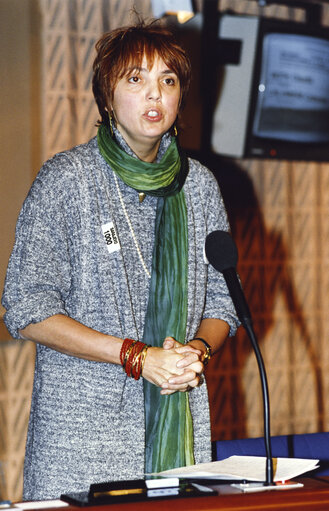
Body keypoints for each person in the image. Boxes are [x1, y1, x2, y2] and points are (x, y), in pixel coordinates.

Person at [2, 19, 239, 500]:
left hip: (180, 430)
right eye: (136, 79)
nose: (155, 94)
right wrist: (137, 356)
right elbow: (25, 308)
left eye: (167, 81)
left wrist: (196, 351)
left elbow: (223, 303)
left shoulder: (200, 187)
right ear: (107, 96)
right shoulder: (67, 181)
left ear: (180, 99)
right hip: (82, 445)